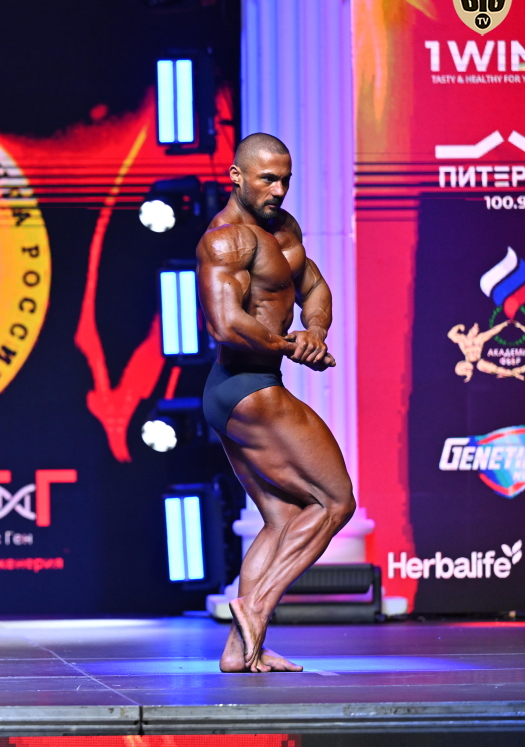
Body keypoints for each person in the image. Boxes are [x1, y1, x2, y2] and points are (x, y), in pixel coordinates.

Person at [196, 132, 356, 673]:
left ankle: (241, 651)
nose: (279, 189)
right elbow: (225, 325)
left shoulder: (285, 228)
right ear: (236, 176)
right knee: (335, 502)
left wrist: (316, 330)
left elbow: (314, 286)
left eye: (286, 179)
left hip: (247, 386)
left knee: (282, 517)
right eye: (268, 179)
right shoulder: (225, 241)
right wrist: (293, 348)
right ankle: (255, 606)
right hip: (245, 386)